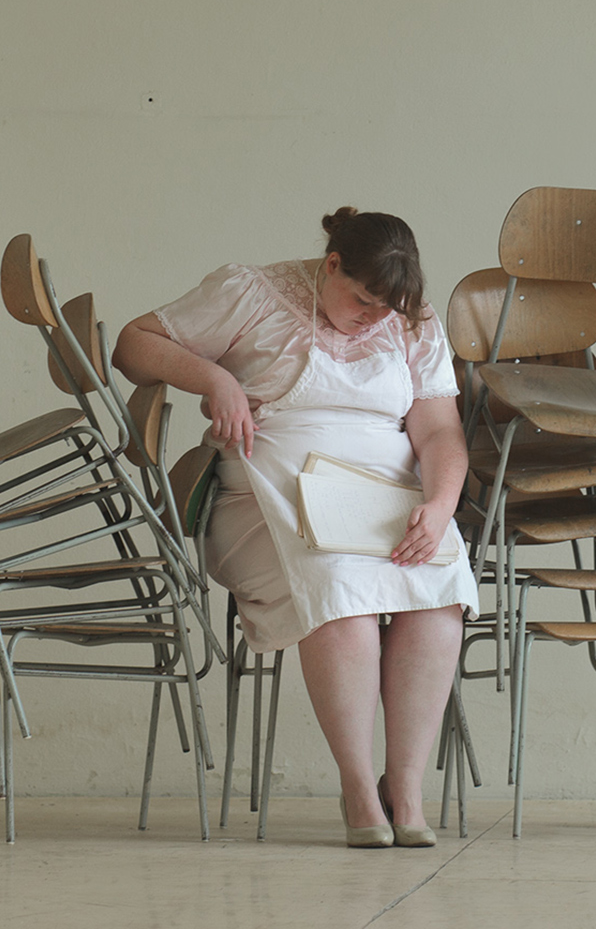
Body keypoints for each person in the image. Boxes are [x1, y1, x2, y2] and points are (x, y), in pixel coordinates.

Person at [113, 208, 477, 848]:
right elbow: (132, 345)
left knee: (442, 590)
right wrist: (215, 377)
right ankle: (359, 788)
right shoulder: (250, 291)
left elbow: (441, 431)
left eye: (387, 308)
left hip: (384, 495)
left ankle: (406, 787)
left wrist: (442, 501)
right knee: (339, 592)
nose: (374, 317)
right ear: (331, 264)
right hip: (269, 493)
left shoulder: (413, 323)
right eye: (363, 298)